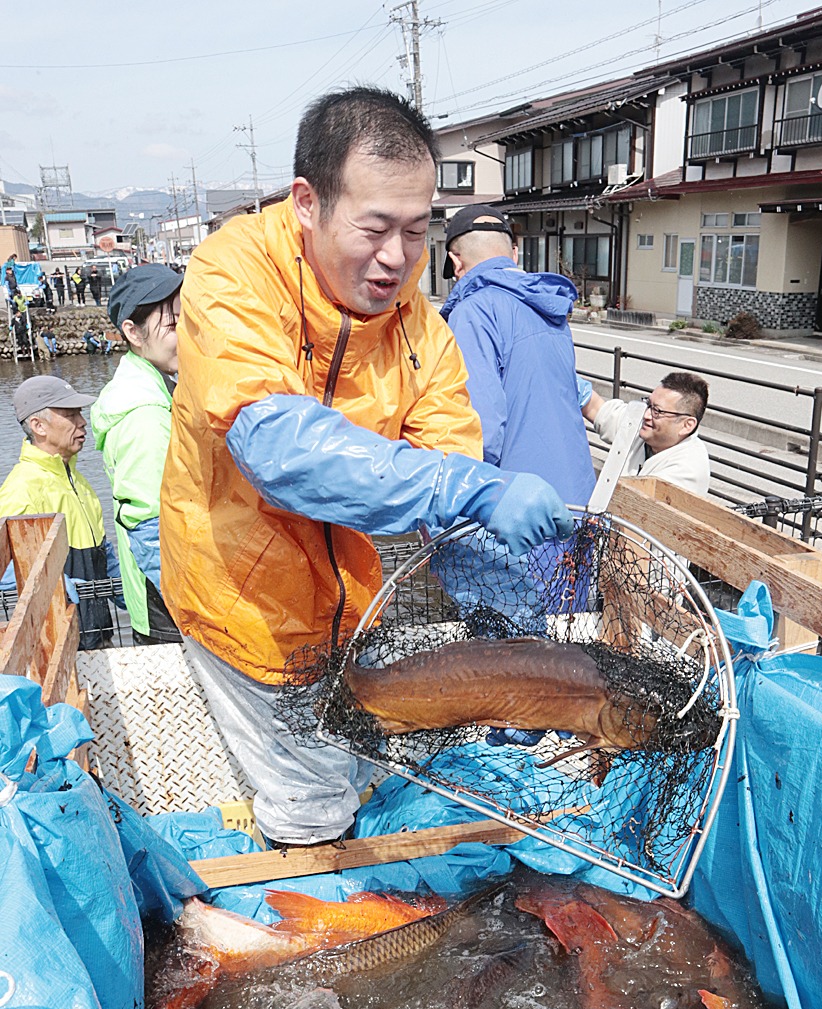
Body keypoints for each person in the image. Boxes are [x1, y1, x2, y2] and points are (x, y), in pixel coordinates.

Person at [161, 85, 573, 849]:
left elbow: (451, 458)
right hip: (240, 595)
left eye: (416, 232)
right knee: (311, 804)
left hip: (351, 600)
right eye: (375, 227)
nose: (395, 258)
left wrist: (508, 620)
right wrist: (464, 486)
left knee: (357, 762)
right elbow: (277, 447)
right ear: (308, 202)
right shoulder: (232, 275)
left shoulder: (419, 324)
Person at [440, 204, 594, 504]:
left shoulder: (473, 312)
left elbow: (481, 430)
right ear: (514, 254)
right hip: (576, 495)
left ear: (455, 262)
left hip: (519, 509)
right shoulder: (549, 304)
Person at [91, 265, 183, 645]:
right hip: (171, 607)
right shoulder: (144, 414)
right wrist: (202, 611)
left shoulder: (157, 386)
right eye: (173, 325)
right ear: (132, 332)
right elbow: (149, 529)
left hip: (165, 597)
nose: (188, 336)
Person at [0, 375, 123, 648]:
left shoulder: (78, 480)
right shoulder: (22, 488)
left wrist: (127, 587)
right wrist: (55, 586)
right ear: (38, 426)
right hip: (57, 643)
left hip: (97, 631)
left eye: (80, 413)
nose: (82, 422)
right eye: (70, 414)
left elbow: (103, 552)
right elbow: (7, 571)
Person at [580, 371, 711, 496]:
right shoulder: (643, 427)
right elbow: (595, 408)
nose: (646, 414)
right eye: (648, 404)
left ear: (687, 425)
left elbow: (639, 508)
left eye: (657, 411)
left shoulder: (687, 470)